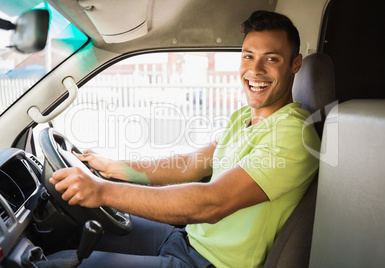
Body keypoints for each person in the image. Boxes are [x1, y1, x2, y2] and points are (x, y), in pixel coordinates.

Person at [50, 10, 320, 268]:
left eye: (271, 59)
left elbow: (212, 202)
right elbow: (190, 163)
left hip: (207, 263)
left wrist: (101, 190)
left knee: (63, 262)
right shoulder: (244, 118)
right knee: (73, 234)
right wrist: (112, 167)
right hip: (186, 239)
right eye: (248, 56)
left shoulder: (293, 135)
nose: (255, 70)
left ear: (296, 64)